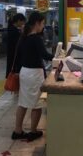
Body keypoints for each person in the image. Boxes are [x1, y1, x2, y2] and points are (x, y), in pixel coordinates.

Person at [11, 11, 54, 141]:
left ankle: (17, 131)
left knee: (23, 103)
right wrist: (59, 57)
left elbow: (17, 56)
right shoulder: (36, 38)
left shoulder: (23, 36)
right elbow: (45, 55)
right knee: (37, 104)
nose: (43, 26)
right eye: (42, 24)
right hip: (34, 74)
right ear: (37, 23)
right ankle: (33, 131)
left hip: (24, 72)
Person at [6, 13, 26, 78]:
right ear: (18, 21)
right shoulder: (14, 31)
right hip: (14, 55)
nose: (23, 24)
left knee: (11, 72)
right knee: (13, 73)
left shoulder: (12, 28)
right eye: (22, 22)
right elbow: (18, 44)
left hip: (12, 54)